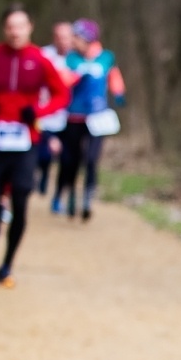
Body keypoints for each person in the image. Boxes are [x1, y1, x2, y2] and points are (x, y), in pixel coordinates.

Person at [0, 4, 70, 287]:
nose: (15, 32)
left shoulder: (40, 60)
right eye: (10, 27)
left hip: (25, 141)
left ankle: (7, 264)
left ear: (30, 28)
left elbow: (61, 94)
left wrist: (39, 113)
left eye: (20, 26)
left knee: (21, 199)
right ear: (3, 29)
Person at [53, 18, 125, 221]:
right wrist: (76, 74)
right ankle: (72, 198)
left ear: (87, 38)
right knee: (71, 161)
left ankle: (87, 198)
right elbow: (63, 80)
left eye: (76, 36)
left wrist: (119, 92)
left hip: (98, 117)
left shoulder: (106, 57)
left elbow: (114, 75)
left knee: (92, 160)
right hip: (75, 117)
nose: (72, 40)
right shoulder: (71, 59)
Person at [36, 21, 74, 195]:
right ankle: (42, 174)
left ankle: (59, 195)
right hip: (46, 113)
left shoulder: (77, 58)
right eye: (59, 37)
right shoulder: (44, 55)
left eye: (66, 37)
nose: (63, 41)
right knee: (43, 155)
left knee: (67, 159)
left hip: (70, 115)